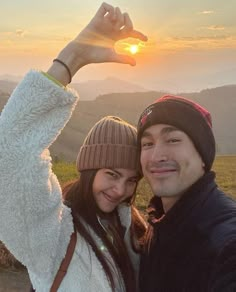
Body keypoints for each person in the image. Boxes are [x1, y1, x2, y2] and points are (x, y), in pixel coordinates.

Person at [0, 3, 148, 291]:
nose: (121, 190)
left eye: (131, 179)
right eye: (112, 174)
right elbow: (8, 150)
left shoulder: (134, 232)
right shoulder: (52, 234)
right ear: (90, 170)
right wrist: (73, 57)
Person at [137, 95, 236, 291]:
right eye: (147, 144)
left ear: (202, 155)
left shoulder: (226, 243)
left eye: (173, 140)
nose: (156, 157)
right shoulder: (159, 222)